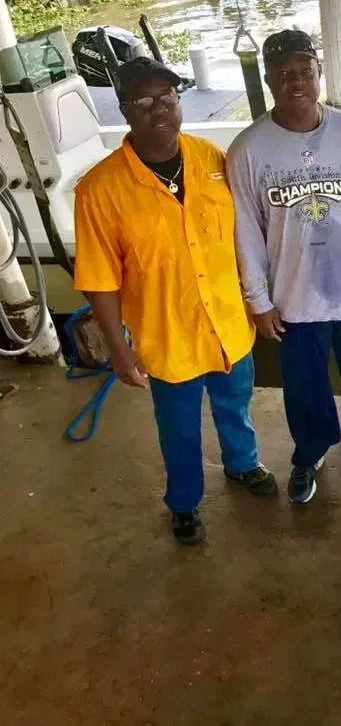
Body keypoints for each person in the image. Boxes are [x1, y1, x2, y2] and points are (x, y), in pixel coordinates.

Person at [73, 57, 277, 546]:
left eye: (166, 97)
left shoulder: (212, 159)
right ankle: (184, 502)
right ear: (124, 109)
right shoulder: (99, 189)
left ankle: (243, 464)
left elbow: (246, 236)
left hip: (227, 324)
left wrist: (261, 300)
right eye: (143, 101)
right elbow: (100, 281)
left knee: (236, 406)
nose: (158, 109)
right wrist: (119, 352)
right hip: (167, 338)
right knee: (179, 430)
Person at [227, 30, 341, 507]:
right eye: (284, 73)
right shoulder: (249, 149)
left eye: (305, 70)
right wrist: (257, 300)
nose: (295, 80)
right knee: (304, 385)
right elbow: (244, 230)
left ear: (320, 74)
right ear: (268, 79)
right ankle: (309, 452)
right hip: (292, 294)